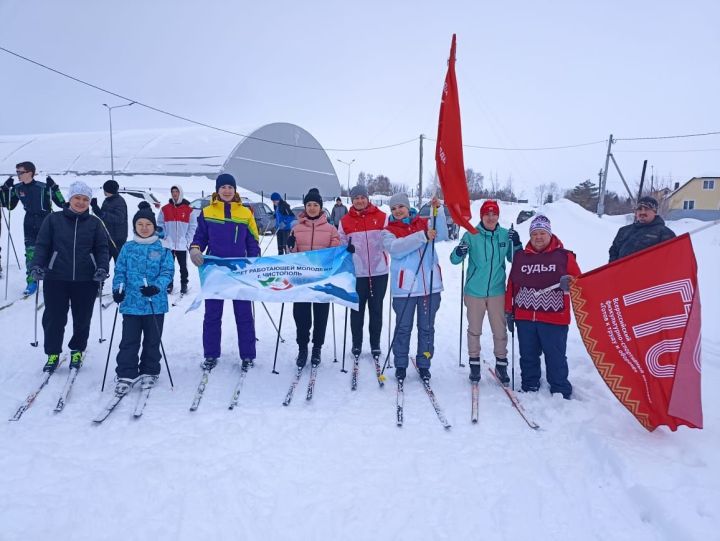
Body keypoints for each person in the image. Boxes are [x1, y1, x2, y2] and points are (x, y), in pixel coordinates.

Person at [29, 181, 110, 373]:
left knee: (82, 318)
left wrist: (101, 268)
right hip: (56, 277)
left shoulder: (95, 223)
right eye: (77, 198)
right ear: (69, 199)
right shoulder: (53, 219)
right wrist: (37, 265)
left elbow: (102, 248)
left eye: (85, 199)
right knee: (54, 318)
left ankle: (77, 350)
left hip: (86, 279)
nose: (81, 202)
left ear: (89, 202)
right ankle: (53, 353)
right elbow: (42, 245)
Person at [505, 215, 580, 399]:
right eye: (535, 233)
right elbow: (512, 285)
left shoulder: (565, 256)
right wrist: (509, 310)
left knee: (555, 356)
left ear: (549, 234)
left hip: (554, 317)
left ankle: (560, 388)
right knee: (528, 354)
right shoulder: (521, 257)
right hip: (524, 316)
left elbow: (580, 282)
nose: (538, 237)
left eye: (542, 233)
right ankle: (529, 384)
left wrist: (571, 283)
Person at [190, 173, 260, 371]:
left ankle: (247, 355)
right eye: (223, 187)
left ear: (235, 190)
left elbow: (252, 241)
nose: (227, 191)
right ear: (217, 190)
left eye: (230, 187)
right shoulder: (207, 212)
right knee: (212, 314)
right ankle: (211, 354)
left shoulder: (246, 213)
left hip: (240, 271)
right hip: (215, 271)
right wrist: (195, 248)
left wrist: (254, 262)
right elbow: (200, 236)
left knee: (244, 314)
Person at [450, 200, 522, 384]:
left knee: (500, 330)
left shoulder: (505, 235)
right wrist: (459, 251)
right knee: (474, 330)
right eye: (487, 214)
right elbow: (454, 260)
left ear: (498, 216)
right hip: (474, 291)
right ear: (481, 216)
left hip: (497, 291)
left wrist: (516, 244)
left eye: (494, 214)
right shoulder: (471, 235)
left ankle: (501, 364)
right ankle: (474, 364)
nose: (491, 217)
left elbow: (516, 261)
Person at [383, 194, 448, 381]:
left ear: (408, 206)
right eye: (394, 208)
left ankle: (424, 363)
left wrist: (438, 211)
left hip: (430, 287)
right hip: (405, 288)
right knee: (403, 328)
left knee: (427, 328)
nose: (397, 211)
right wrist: (422, 236)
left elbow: (442, 234)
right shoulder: (388, 231)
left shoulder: (425, 223)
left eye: (401, 206)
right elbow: (396, 248)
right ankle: (401, 364)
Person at [111, 203, 174, 395]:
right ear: (135, 226)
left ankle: (150, 370)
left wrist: (157, 287)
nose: (144, 227)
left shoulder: (162, 247)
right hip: (131, 303)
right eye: (140, 224)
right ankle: (126, 373)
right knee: (129, 340)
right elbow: (119, 271)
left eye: (148, 224)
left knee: (152, 340)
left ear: (154, 226)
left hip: (155, 303)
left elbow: (168, 271)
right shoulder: (128, 247)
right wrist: (117, 290)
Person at [286, 188, 341, 367]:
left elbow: (335, 254)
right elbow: (291, 255)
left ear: (321, 207)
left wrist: (342, 252)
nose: (311, 208)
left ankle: (317, 348)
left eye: (315, 205)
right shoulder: (296, 228)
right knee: (301, 316)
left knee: (320, 316)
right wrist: (290, 246)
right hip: (301, 281)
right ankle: (303, 348)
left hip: (322, 281)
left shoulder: (331, 229)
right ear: (305, 207)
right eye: (308, 204)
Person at [338, 184, 389, 359]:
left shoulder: (382, 217)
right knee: (356, 310)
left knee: (376, 309)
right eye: (356, 198)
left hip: (379, 272)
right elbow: (340, 243)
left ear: (368, 198)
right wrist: (347, 248)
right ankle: (356, 344)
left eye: (362, 197)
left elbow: (390, 239)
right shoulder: (345, 221)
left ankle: (375, 344)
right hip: (357, 273)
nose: (360, 201)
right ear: (352, 200)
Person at [1, 161, 65, 295]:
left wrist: (54, 188)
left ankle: (53, 280)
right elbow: (8, 205)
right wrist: (4, 189)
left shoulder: (43, 188)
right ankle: (32, 282)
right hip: (29, 223)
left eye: (20, 172)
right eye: (17, 172)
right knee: (30, 254)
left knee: (50, 253)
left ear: (29, 173)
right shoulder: (18, 188)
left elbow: (62, 204)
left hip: (46, 223)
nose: (18, 175)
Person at [608, 196, 675, 262]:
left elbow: (671, 259)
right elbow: (614, 251)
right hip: (621, 271)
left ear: (655, 211)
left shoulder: (665, 233)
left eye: (647, 209)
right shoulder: (624, 230)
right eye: (640, 209)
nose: (642, 212)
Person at [157, 184, 197, 294]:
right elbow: (160, 224)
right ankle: (169, 284)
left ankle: (184, 284)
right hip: (169, 244)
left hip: (181, 244)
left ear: (180, 193)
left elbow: (193, 226)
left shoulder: (189, 210)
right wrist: (165, 237)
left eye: (176, 192)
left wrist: (187, 240)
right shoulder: (165, 209)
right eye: (173, 192)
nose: (174, 194)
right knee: (169, 266)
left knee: (183, 267)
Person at [90, 179, 128, 263]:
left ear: (108, 190)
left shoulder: (119, 201)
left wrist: (101, 213)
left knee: (119, 264)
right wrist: (95, 207)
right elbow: (103, 216)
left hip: (117, 239)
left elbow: (119, 218)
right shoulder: (108, 200)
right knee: (103, 262)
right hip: (108, 237)